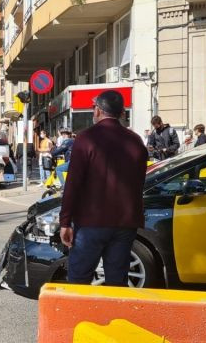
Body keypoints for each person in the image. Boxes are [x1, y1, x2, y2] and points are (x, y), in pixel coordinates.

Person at [58, 90, 148, 286]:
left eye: (93, 108)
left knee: (79, 279)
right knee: (117, 281)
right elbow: (139, 182)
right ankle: (113, 316)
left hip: (92, 221)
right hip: (125, 222)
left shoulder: (86, 138)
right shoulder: (135, 141)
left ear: (98, 111)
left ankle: (82, 316)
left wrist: (65, 221)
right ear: (121, 113)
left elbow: (73, 183)